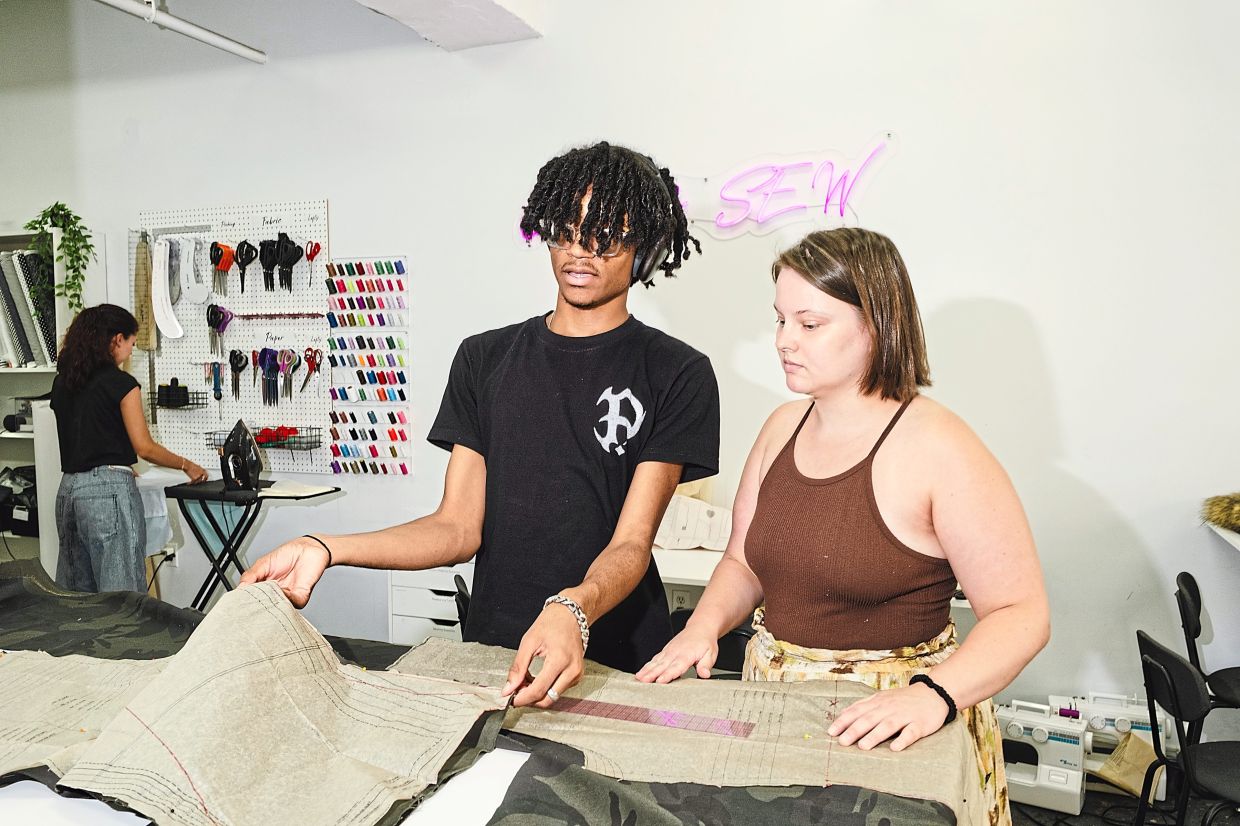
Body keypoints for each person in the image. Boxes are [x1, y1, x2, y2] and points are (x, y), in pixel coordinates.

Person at [241, 141, 720, 707]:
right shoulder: (485, 358)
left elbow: (631, 544)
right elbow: (457, 528)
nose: (579, 252)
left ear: (642, 245)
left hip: (619, 657)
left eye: (605, 237)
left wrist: (573, 608)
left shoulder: (677, 371)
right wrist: (327, 546)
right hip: (495, 651)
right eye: (565, 231)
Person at [636, 228, 1049, 825]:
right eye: (780, 320)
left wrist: (933, 695)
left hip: (891, 718)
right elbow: (743, 562)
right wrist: (702, 628)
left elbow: (1022, 613)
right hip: (778, 707)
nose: (783, 341)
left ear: (877, 324)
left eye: (810, 324)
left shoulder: (941, 448)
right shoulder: (781, 427)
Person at [51, 303, 209, 594]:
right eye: (131, 343)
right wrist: (187, 465)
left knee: (75, 601)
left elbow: (88, 433)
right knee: (121, 598)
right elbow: (145, 447)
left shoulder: (64, 383)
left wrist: (121, 463)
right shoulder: (121, 384)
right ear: (116, 339)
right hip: (107, 496)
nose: (131, 351)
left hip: (69, 492)